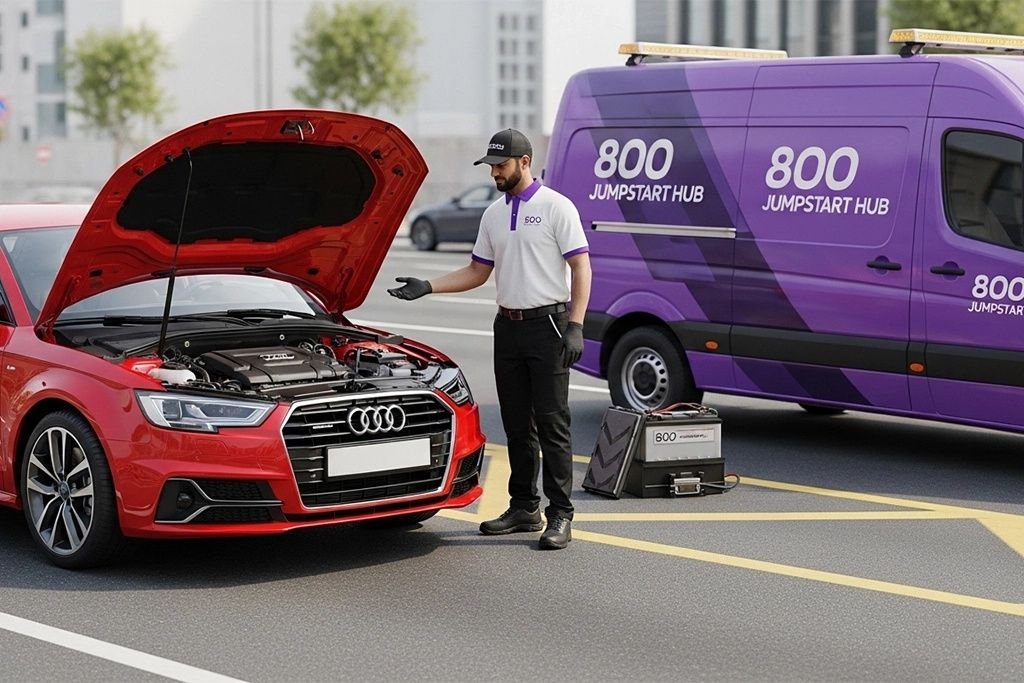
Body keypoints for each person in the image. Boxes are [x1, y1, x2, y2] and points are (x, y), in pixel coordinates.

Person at [388, 128, 591, 550]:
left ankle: (561, 514)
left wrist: (576, 324)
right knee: (517, 424)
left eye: (501, 165)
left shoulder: (557, 207)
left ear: (524, 162)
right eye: (491, 166)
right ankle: (524, 507)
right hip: (509, 327)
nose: (494, 172)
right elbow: (478, 272)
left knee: (552, 423)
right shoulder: (493, 214)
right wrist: (428, 285)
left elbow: (581, 267)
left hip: (548, 325)